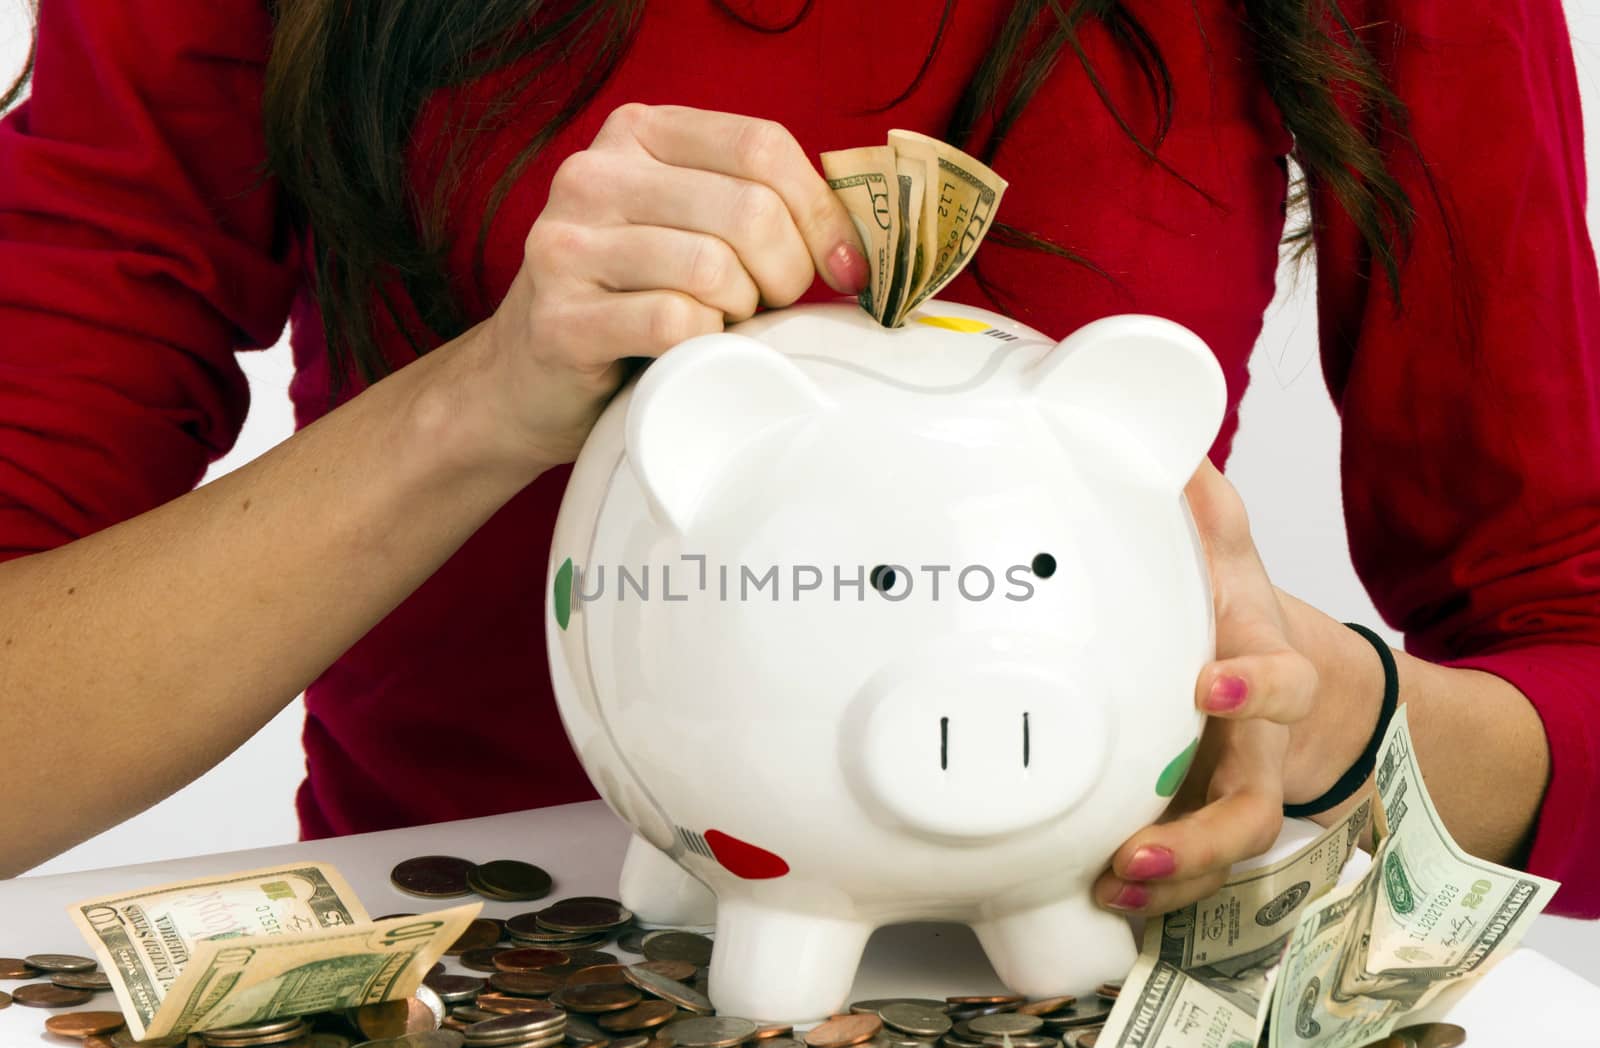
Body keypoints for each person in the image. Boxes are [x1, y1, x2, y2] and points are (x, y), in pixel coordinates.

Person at [0, 0, 1595, 923]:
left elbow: (1574, 657)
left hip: (1082, 983)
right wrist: (480, 397)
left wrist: (1333, 716)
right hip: (477, 1021)